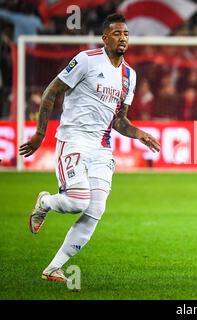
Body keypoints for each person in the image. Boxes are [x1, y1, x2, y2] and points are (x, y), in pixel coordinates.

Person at [19, 14, 160, 282]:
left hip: (101, 148)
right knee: (76, 202)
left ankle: (53, 268)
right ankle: (45, 202)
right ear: (105, 38)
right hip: (72, 140)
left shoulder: (130, 75)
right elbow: (51, 91)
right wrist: (40, 133)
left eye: (126, 34)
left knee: (96, 209)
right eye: (117, 33)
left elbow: (119, 119)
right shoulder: (86, 60)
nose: (123, 38)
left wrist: (139, 133)